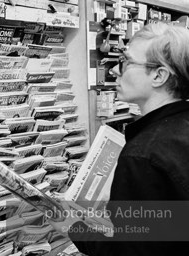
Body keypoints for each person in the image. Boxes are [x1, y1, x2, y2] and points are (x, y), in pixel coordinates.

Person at [50, 22, 189, 255]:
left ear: (159, 75)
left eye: (126, 62)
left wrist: (72, 227)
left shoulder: (143, 154)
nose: (114, 69)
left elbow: (128, 251)